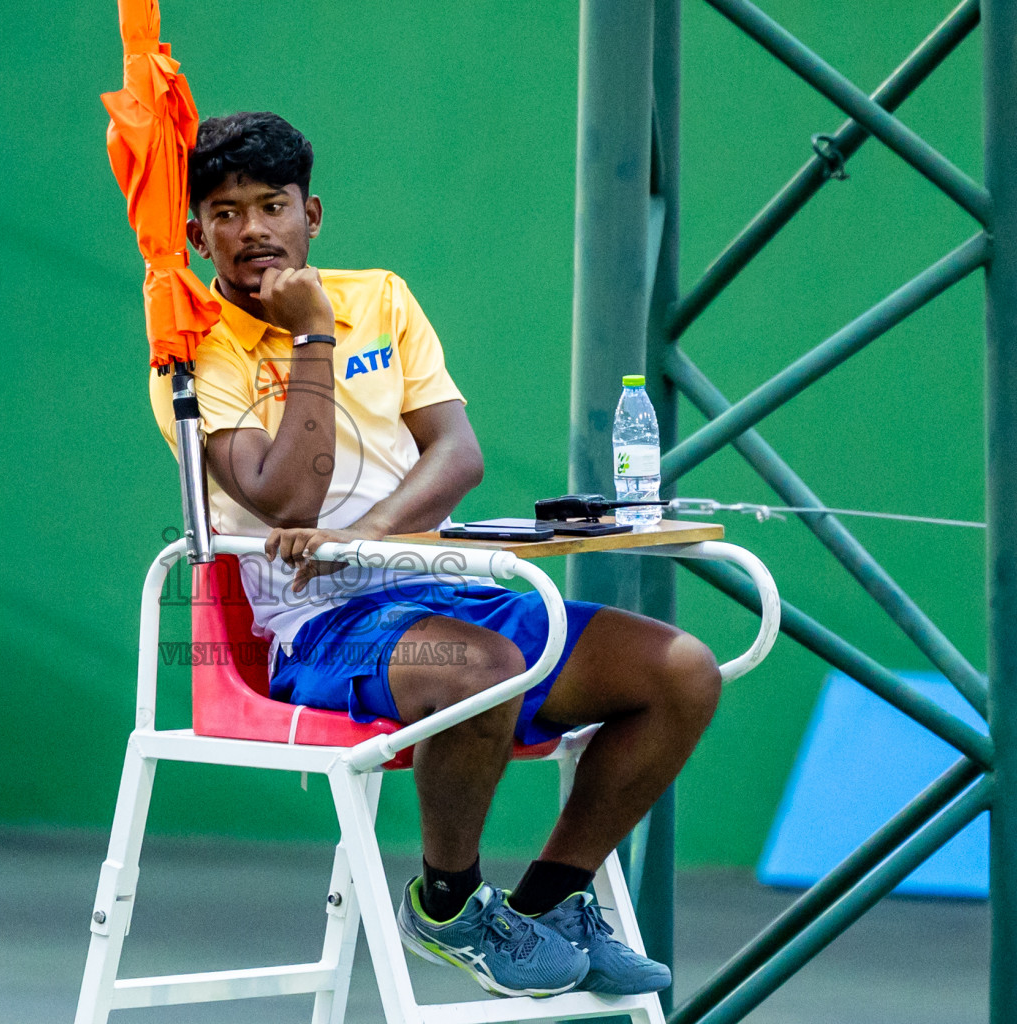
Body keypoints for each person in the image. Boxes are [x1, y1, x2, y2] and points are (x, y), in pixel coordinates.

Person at [148, 110, 721, 999]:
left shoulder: (383, 294)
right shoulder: (188, 356)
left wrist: (370, 538)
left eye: (272, 205)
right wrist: (312, 338)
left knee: (680, 671)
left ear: (313, 214)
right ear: (197, 236)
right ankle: (449, 903)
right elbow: (289, 497)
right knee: (477, 669)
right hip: (321, 622)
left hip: (439, 580)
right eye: (226, 213)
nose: (253, 228)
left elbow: (457, 455)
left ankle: (550, 901)